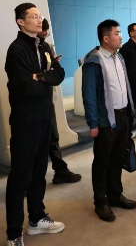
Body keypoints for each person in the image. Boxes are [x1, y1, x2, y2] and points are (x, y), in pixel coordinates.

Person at [5, 3, 65, 246]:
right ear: (21, 21)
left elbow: (59, 75)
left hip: (44, 118)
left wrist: (39, 76)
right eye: (33, 16)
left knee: (40, 172)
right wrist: (43, 78)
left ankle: (36, 218)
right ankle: (13, 233)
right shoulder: (16, 49)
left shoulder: (44, 46)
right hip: (25, 121)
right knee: (20, 176)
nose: (39, 20)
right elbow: (24, 86)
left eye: (40, 16)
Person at [82, 19, 136, 222]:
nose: (121, 36)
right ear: (106, 38)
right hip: (106, 120)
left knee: (117, 159)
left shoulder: (119, 57)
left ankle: (115, 195)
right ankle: (101, 202)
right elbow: (89, 95)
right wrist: (93, 123)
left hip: (122, 116)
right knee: (102, 162)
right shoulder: (94, 61)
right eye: (117, 33)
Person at [38, 18, 81, 184]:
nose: (44, 35)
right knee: (34, 143)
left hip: (47, 98)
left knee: (53, 137)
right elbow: (29, 78)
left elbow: (57, 74)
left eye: (46, 32)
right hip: (32, 104)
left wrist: (50, 68)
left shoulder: (46, 47)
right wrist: (45, 75)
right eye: (42, 32)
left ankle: (61, 171)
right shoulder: (21, 49)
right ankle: (29, 182)